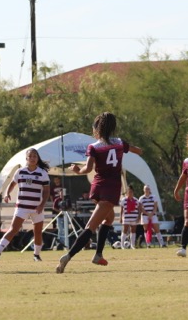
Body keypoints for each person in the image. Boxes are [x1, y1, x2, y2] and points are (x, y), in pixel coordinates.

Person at [56, 112, 142, 273]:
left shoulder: (94, 147)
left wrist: (76, 169)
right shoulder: (119, 143)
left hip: (97, 186)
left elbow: (87, 169)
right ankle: (68, 256)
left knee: (108, 218)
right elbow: (139, 151)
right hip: (111, 188)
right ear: (113, 127)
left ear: (97, 129)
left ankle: (98, 255)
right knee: (91, 226)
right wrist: (130, 148)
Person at [0, 148, 50, 262]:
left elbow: (46, 191)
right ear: (26, 159)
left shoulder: (43, 173)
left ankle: (36, 255)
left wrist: (42, 205)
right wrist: (7, 194)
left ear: (37, 159)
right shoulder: (20, 172)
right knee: (13, 230)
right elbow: (12, 184)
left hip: (36, 207)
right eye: (30, 156)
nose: (32, 158)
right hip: (22, 207)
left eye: (35, 156)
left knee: (37, 232)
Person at [119, 185, 142, 249]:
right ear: (127, 192)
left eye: (131, 192)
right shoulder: (123, 200)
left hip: (134, 217)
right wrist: (121, 217)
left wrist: (139, 217)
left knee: (133, 231)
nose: (130, 193)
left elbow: (139, 209)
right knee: (125, 230)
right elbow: (121, 210)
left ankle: (132, 245)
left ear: (133, 192)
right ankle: (122, 245)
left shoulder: (136, 200)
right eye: (129, 192)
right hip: (126, 217)